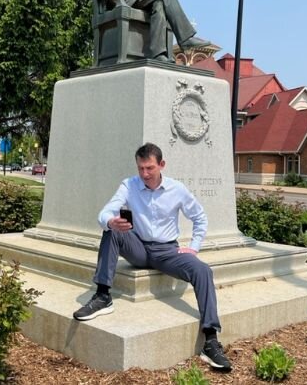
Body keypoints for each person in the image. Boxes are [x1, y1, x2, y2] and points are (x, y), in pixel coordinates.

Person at [72, 142, 232, 370]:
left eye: (149, 168)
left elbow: (200, 217)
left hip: (167, 251)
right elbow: (105, 212)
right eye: (141, 168)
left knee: (202, 270)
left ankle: (211, 338)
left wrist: (194, 247)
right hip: (138, 248)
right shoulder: (129, 185)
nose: (145, 174)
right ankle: (102, 296)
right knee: (111, 230)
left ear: (161, 165)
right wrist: (110, 221)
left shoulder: (177, 189)